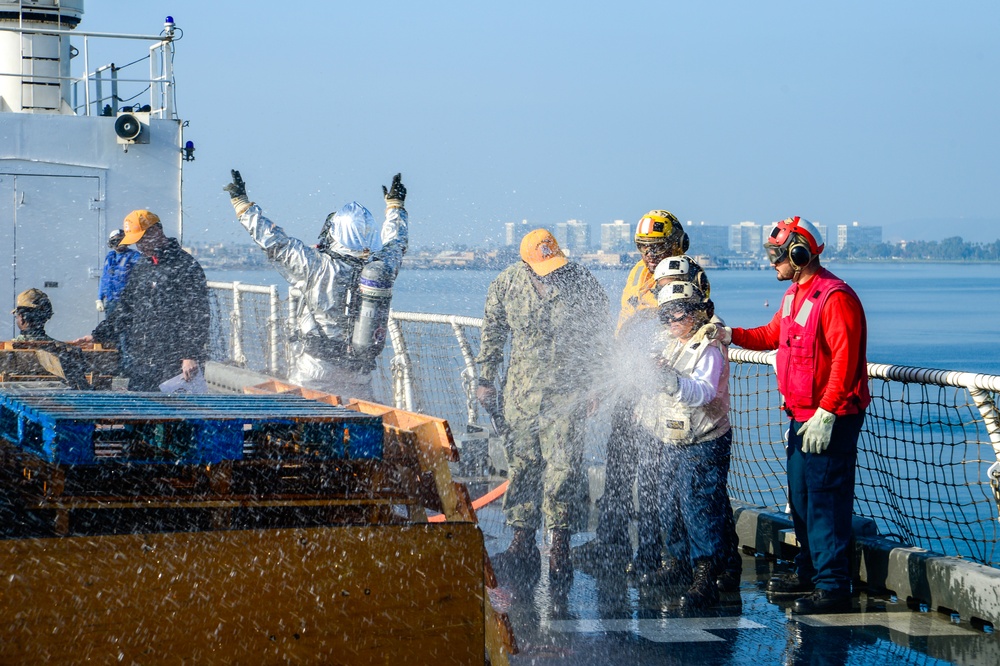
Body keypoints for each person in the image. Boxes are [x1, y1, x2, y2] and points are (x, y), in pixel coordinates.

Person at [708, 216, 870, 614]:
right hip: (801, 417)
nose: (772, 263)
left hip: (830, 419)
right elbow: (771, 335)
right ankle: (809, 571)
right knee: (800, 498)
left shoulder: (835, 298)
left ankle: (833, 586)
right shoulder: (795, 296)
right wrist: (732, 335)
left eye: (777, 255)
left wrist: (828, 411)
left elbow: (846, 362)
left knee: (825, 502)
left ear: (799, 253)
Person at [475, 229, 610, 595]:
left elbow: (600, 333)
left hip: (567, 393)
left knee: (564, 467)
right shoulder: (505, 284)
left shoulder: (579, 280)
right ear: (525, 262)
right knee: (524, 465)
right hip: (521, 394)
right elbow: (492, 334)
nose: (550, 272)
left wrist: (596, 382)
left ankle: (560, 545)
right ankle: (522, 541)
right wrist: (485, 378)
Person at [223, 170, 408, 400]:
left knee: (304, 426)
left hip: (316, 369)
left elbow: (275, 242)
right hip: (359, 372)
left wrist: (242, 204)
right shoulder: (381, 267)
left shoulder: (316, 265)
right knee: (358, 424)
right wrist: (395, 207)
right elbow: (397, 243)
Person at [575, 210, 690, 578]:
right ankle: (611, 541)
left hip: (657, 390)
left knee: (654, 473)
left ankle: (654, 553)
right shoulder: (636, 275)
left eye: (656, 247)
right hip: (627, 384)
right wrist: (602, 380)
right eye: (643, 247)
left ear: (674, 245)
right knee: (619, 464)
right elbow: (624, 327)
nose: (649, 255)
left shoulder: (682, 276)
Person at [633, 281, 733, 608]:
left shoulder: (708, 346)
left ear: (696, 310)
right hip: (673, 439)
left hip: (702, 441)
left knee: (698, 506)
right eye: (666, 315)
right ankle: (676, 565)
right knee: (669, 503)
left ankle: (706, 575)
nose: (672, 321)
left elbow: (704, 391)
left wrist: (670, 380)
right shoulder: (670, 342)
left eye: (678, 313)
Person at [76, 210, 211, 392]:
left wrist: (190, 355)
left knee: (173, 417)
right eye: (136, 242)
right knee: (138, 413)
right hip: (142, 359)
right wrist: (98, 334)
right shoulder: (143, 266)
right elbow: (126, 307)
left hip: (174, 362)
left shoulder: (185, 266)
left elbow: (197, 314)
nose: (139, 246)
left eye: (141, 239)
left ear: (156, 231)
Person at [11, 288, 90, 389]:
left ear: (21, 318)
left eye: (16, 316)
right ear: (46, 317)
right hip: (64, 401)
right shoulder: (67, 351)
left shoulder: (11, 349)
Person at [97, 229, 142, 316]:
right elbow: (105, 278)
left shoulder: (133, 256)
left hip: (127, 302)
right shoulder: (110, 257)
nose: (119, 244)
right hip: (111, 302)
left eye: (122, 240)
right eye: (115, 241)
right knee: (110, 327)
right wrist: (100, 298)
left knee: (125, 328)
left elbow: (143, 273)